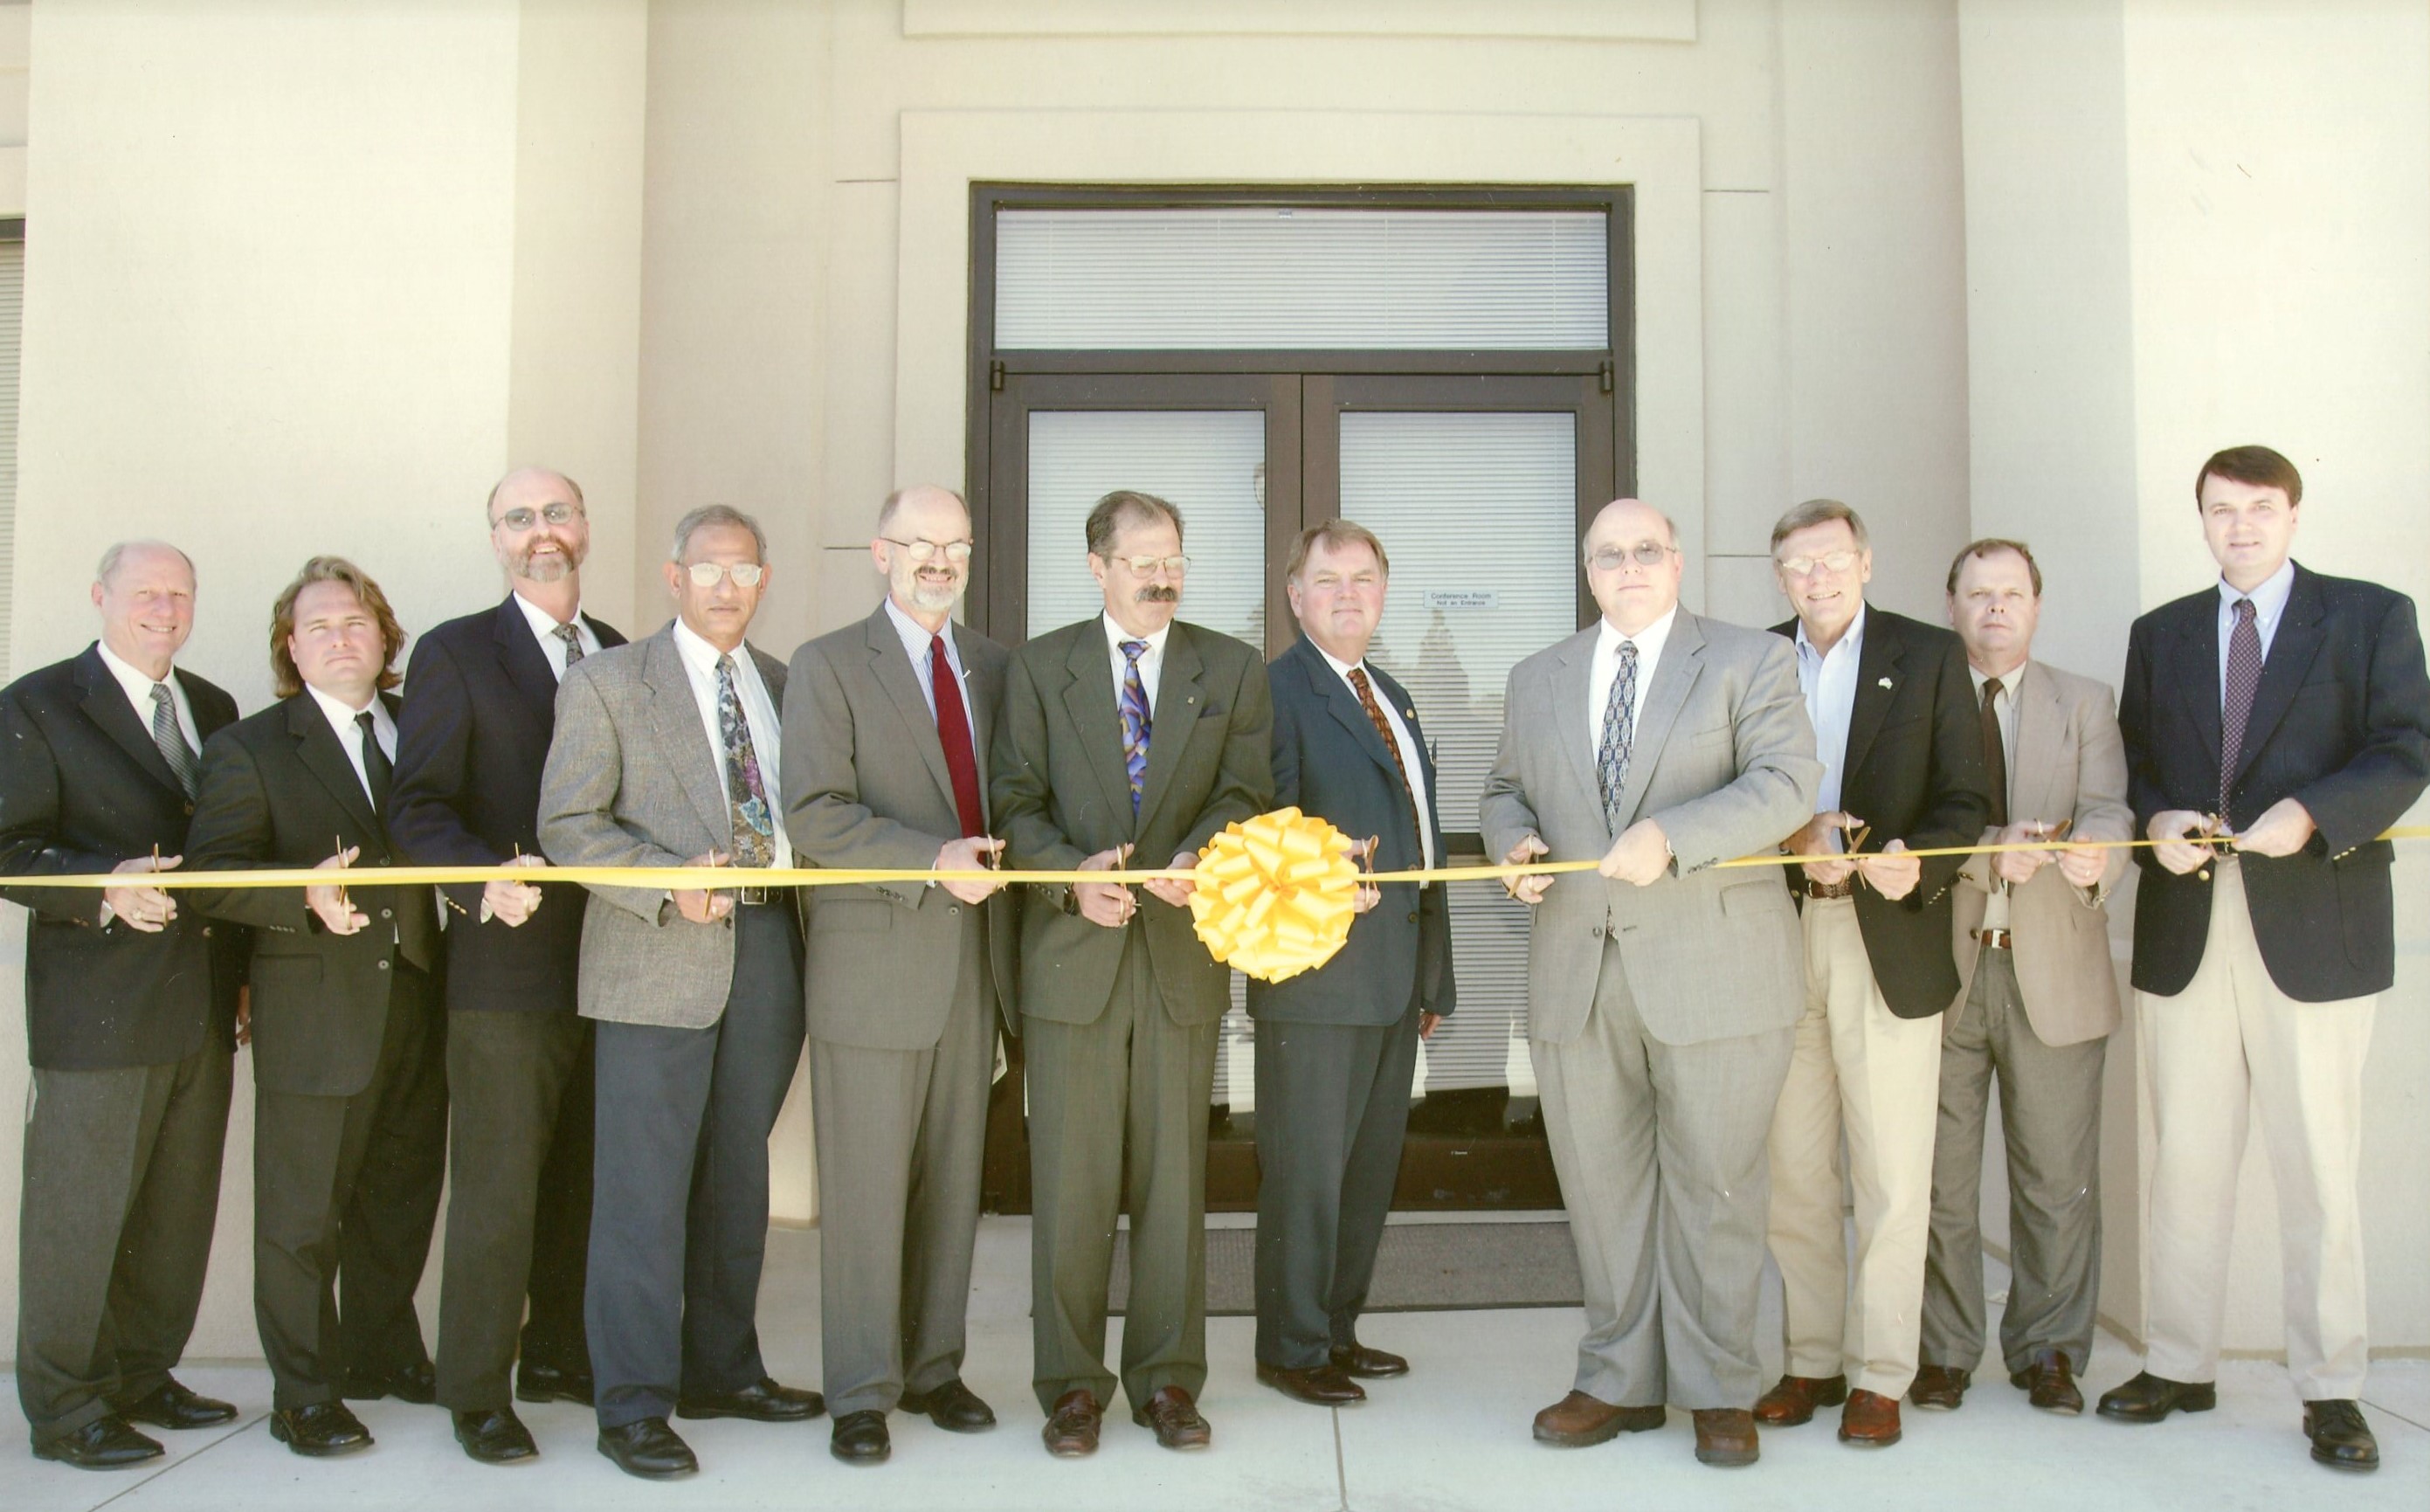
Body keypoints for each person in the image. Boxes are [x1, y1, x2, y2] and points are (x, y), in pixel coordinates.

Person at [2103, 445, 2430, 1472]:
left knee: (2318, 1169)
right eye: (2219, 510)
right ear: (2198, 519)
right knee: (2185, 1160)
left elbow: (2405, 749)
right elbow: (2139, 755)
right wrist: (2155, 815)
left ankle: (2331, 1388)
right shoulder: (2158, 634)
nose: (2238, 527)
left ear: (2293, 515)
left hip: (2313, 923)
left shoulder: (2370, 616)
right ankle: (2179, 1361)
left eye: (2259, 508)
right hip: (2187, 923)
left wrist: (2313, 813)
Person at [1481, 500, 1819, 1468]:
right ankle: (1617, 1379)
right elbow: (1504, 787)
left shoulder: (1750, 660)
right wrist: (1512, 841)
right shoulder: (1536, 676)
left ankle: (1719, 1386)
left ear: (1676, 561)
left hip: (1715, 970)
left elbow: (1786, 783)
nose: (1628, 567)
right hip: (1578, 969)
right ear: (1587, 569)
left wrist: (1673, 837)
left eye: (1646, 551)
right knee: (1601, 1189)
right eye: (1608, 554)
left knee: (1716, 1186)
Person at [990, 488, 1274, 1458]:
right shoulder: (1039, 668)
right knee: (1070, 1187)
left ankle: (1167, 1383)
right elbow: (1013, 799)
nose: (1164, 576)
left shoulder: (1229, 667)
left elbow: (1245, 791)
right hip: (1073, 962)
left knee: (1171, 1186)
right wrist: (1073, 879)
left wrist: (1195, 856)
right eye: (1144, 559)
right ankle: (1071, 1387)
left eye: (1176, 559)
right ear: (1097, 566)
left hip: (1179, 961)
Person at [538, 504, 819, 1480]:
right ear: (672, 577)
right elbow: (569, 825)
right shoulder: (609, 683)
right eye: (708, 569)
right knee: (642, 1193)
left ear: (763, 580)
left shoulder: (786, 687)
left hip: (769, 952)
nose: (726, 586)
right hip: (656, 955)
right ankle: (633, 1404)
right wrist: (666, 881)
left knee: (738, 1176)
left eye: (744, 569)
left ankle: (723, 1371)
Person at [183, 556, 446, 1457]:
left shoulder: (425, 729)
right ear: (291, 649)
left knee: (400, 1198)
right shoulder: (250, 749)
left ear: (386, 640)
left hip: (421, 1000)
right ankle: (304, 1391)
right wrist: (298, 893)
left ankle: (382, 1354)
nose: (342, 638)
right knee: (300, 1216)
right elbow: (208, 880)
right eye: (320, 626)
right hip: (316, 1011)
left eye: (358, 622)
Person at [390, 467, 626, 1463]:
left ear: (585, 527)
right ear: (495, 539)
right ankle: (477, 1386)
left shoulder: (620, 651)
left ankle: (560, 1353)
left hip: (615, 957)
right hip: (505, 963)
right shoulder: (452, 653)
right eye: (519, 518)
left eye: (557, 513)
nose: (542, 532)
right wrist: (482, 874)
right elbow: (416, 807)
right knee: (496, 1184)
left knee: (582, 1174)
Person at [779, 485, 1014, 1466]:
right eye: (919, 543)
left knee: (951, 1180)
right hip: (875, 961)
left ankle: (934, 1368)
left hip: (976, 966)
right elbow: (816, 813)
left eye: (954, 544)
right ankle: (862, 1390)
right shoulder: (828, 664)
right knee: (868, 1189)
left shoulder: (999, 668)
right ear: (881, 553)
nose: (938, 561)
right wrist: (932, 860)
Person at [1, 542, 246, 1469]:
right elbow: (8, 849)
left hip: (202, 1003)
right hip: (97, 1009)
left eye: (180, 592)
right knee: (79, 1213)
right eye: (146, 591)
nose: (164, 606)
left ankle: (143, 1376)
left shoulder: (213, 706)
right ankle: (67, 1410)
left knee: (174, 1213)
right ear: (101, 596)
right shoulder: (37, 704)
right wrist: (102, 884)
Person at [1757, 499, 1992, 1449]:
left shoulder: (1931, 655)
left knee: (1894, 1169)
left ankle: (1880, 1373)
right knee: (1793, 1168)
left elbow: (1966, 799)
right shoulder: (1756, 659)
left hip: (1886, 934)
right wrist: (1788, 836)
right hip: (1775, 934)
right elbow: (1730, 787)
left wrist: (1917, 861)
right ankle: (1811, 1360)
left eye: (1830, 560)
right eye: (1796, 567)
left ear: (1865, 560)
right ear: (1778, 578)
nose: (1814, 579)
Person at [1913, 539, 2130, 1417]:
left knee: (2055, 1178)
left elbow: (2112, 804)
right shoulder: (1922, 702)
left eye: (2011, 593)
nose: (1994, 608)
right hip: (1941, 973)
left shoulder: (2084, 701)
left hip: (2055, 970)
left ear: (2036, 606)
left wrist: (2092, 857)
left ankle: (2049, 1351)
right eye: (1976, 593)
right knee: (1940, 1179)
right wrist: (1980, 859)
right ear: (1952, 606)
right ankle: (1943, 1353)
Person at [1249, 521, 1453, 1410]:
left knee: (1366, 1171)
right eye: (1324, 580)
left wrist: (1433, 975)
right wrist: (1323, 879)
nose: (1344, 595)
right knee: (1306, 1174)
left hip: (1393, 979)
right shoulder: (1276, 696)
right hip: (1316, 980)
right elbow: (1259, 840)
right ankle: (1290, 1347)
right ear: (1293, 596)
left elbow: (1424, 847)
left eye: (1362, 578)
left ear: (1383, 590)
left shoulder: (1393, 696)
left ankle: (1336, 1327)